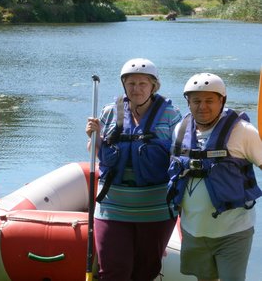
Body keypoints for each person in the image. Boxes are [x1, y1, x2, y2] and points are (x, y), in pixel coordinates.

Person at [85, 58, 182, 280]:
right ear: (123, 86)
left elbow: (181, 155)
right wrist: (94, 136)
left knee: (145, 272)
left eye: (142, 83)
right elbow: (95, 150)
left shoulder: (170, 114)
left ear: (153, 86)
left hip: (155, 207)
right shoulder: (110, 112)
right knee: (113, 271)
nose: (136, 89)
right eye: (131, 84)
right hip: (113, 204)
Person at [167, 73, 262, 281]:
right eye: (196, 101)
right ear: (188, 103)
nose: (202, 106)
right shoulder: (179, 131)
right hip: (194, 231)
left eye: (209, 100)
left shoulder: (243, 131)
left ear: (222, 101)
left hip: (234, 231)